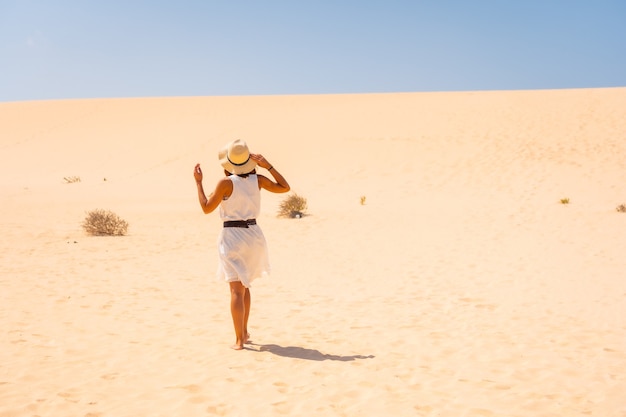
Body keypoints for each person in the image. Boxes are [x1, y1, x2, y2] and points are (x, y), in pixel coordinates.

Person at [194, 139, 290, 350]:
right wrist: (268, 165)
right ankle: (244, 332)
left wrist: (199, 183)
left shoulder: (225, 183)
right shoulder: (257, 180)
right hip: (254, 235)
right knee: (245, 286)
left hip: (233, 235)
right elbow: (285, 187)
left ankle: (239, 340)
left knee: (236, 290)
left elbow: (206, 208)